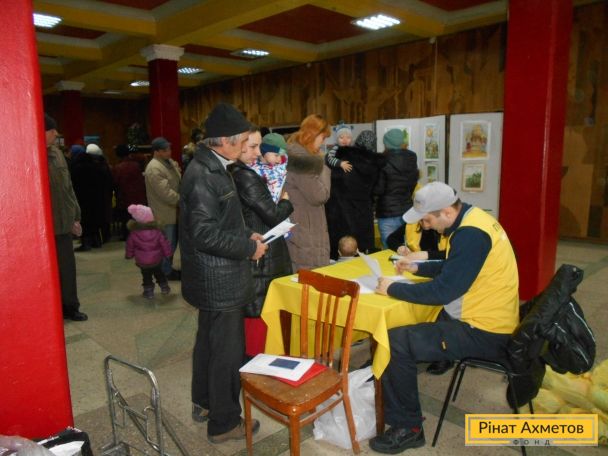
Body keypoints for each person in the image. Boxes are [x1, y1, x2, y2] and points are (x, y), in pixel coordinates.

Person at [371, 181, 519, 453]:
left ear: (447, 212)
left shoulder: (470, 235)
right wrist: (418, 267)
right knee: (408, 326)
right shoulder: (473, 219)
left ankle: (408, 428)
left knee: (395, 342)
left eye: (427, 220)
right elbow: (454, 266)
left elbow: (444, 291)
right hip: (486, 317)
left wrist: (392, 288)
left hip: (484, 330)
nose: (425, 227)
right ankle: (387, 380)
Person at [179, 102, 268, 443]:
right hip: (219, 280)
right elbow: (204, 234)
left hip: (213, 278)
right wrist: (248, 249)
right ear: (226, 141)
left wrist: (247, 234)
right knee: (227, 354)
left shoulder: (212, 166)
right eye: (244, 141)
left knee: (208, 344)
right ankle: (225, 422)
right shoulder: (204, 175)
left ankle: (204, 402)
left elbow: (221, 221)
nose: (247, 147)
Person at [229, 126, 294, 359]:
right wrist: (286, 201)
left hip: (255, 249)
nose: (258, 153)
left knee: (256, 317)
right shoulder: (245, 175)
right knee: (260, 316)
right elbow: (273, 215)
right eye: (253, 146)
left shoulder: (233, 172)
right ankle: (259, 367)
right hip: (262, 254)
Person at [44, 114, 88, 321]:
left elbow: (68, 188)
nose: (56, 134)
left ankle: (70, 306)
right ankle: (49, 308)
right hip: (44, 228)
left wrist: (75, 216)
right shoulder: (32, 154)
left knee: (67, 269)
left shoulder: (58, 154)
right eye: (52, 130)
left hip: (63, 224)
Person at [325, 129, 384, 258]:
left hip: (340, 210)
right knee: (363, 250)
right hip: (363, 210)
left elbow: (331, 182)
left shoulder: (342, 156)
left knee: (342, 248)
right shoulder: (376, 163)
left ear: (356, 141)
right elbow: (378, 189)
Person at [284, 114, 331, 271]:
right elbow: (320, 196)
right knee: (310, 278)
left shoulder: (296, 156)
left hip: (303, 226)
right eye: (323, 138)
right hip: (306, 231)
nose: (323, 142)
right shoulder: (303, 162)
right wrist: (323, 166)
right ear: (314, 135)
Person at [374, 128, 419, 248]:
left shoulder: (381, 160)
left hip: (387, 211)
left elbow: (379, 189)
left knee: (389, 250)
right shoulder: (412, 158)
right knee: (407, 249)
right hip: (407, 210)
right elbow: (413, 183)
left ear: (386, 143)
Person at [144, 137, 181, 280]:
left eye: (169, 149)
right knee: (167, 244)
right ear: (156, 151)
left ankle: (167, 268)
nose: (169, 152)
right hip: (163, 213)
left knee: (172, 243)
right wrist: (183, 200)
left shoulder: (168, 163)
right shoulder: (154, 168)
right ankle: (165, 272)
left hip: (173, 211)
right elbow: (165, 193)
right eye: (165, 150)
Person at [125, 204, 172, 299]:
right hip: (157, 260)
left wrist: (129, 255)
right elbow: (164, 243)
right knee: (159, 273)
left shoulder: (134, 233)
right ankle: (165, 287)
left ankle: (149, 292)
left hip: (142, 261)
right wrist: (168, 254)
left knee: (146, 276)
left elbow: (130, 245)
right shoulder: (157, 231)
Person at [113, 144, 147, 240]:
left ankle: (127, 235)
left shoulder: (118, 168)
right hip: (138, 197)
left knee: (126, 218)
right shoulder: (136, 165)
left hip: (124, 198)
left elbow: (115, 183)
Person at [250, 132, 289, 203]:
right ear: (264, 151)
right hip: (268, 203)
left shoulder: (284, 161)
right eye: (276, 155)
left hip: (283, 198)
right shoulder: (254, 169)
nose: (279, 160)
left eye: (281, 155)